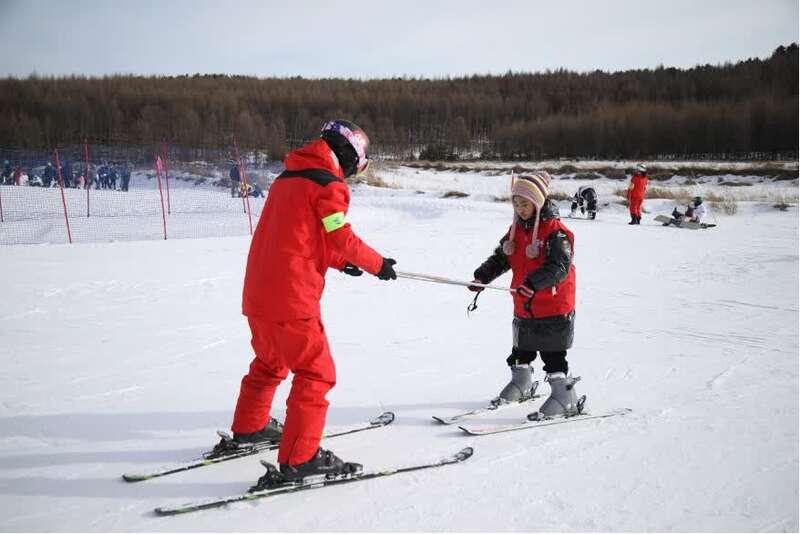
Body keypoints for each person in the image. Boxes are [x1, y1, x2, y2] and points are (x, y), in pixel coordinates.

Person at [217, 119, 398, 483]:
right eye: (355, 168)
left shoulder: (287, 180)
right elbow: (340, 235)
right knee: (316, 372)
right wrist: (377, 264)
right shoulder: (328, 186)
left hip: (259, 293)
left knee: (270, 362)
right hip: (292, 297)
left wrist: (342, 262)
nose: (350, 175)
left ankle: (250, 428)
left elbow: (300, 237)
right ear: (347, 156)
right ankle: (301, 458)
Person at [468, 172, 581, 417]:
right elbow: (501, 258)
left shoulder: (556, 233)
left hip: (553, 305)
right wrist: (482, 278)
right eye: (516, 204)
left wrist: (533, 282)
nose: (520, 209)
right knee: (522, 349)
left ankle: (565, 396)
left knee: (552, 354)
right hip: (524, 303)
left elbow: (559, 267)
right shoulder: (516, 231)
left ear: (538, 202)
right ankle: (522, 383)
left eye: (525, 204)